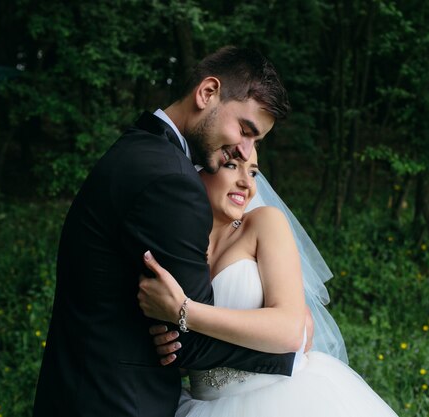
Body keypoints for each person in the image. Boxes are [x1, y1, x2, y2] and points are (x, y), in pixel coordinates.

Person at [32, 46, 295, 417]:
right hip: (118, 401)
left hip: (78, 388)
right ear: (207, 93)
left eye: (256, 143)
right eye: (245, 129)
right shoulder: (173, 180)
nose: (245, 149)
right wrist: (288, 350)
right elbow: (190, 342)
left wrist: (183, 314)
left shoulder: (136, 145)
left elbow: (181, 324)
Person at [137, 150, 400, 416]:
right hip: (203, 404)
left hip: (282, 398)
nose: (247, 183)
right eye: (231, 165)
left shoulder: (263, 223)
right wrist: (171, 348)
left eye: (252, 172)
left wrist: (184, 312)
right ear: (196, 171)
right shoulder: (174, 248)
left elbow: (289, 331)